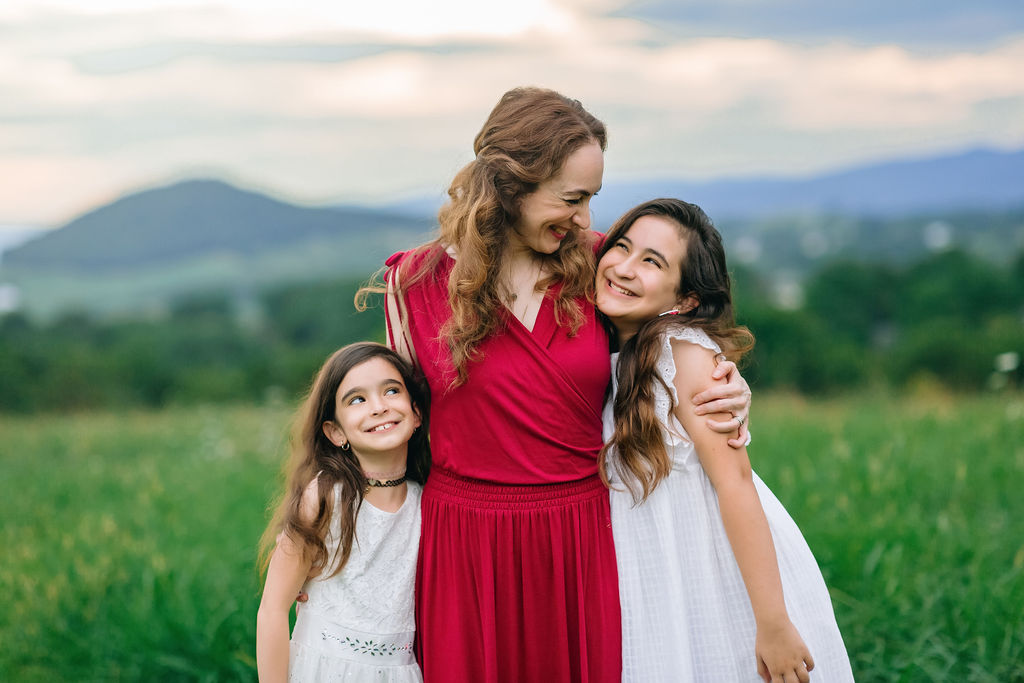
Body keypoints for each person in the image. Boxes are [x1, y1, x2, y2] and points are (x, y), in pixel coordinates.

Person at [371, 88, 753, 682]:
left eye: (591, 199)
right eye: (572, 199)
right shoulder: (413, 284)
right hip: (461, 547)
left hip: (579, 539)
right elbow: (389, 431)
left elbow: (680, 340)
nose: (585, 220)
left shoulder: (605, 269)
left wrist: (733, 388)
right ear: (512, 187)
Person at [595, 198, 854, 682]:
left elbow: (736, 484)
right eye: (622, 248)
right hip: (649, 569)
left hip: (710, 567)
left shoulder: (684, 356)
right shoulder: (608, 351)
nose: (625, 268)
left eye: (652, 261)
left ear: (687, 297)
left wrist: (773, 623)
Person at [256, 342, 431, 683]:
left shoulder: (428, 502)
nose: (379, 407)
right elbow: (273, 610)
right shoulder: (325, 497)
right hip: (325, 669)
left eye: (391, 390)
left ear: (416, 412)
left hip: (400, 672)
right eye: (357, 399)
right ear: (335, 432)